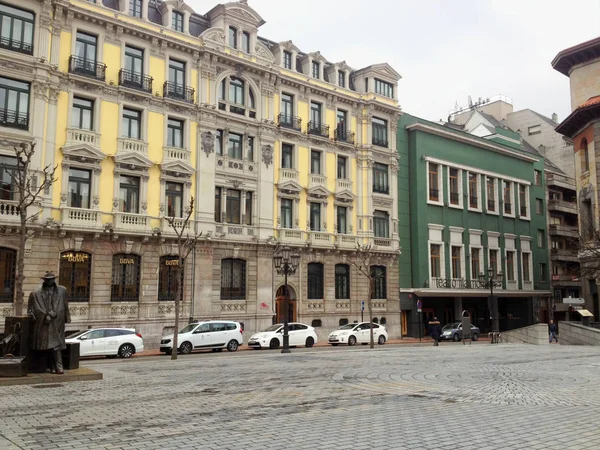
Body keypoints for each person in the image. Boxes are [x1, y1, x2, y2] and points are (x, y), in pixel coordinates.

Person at [27, 271, 71, 374]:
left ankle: (58, 367)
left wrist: (65, 317)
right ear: (44, 280)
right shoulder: (36, 293)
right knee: (50, 345)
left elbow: (64, 305)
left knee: (56, 344)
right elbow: (32, 309)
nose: (50, 281)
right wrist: (40, 316)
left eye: (51, 279)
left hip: (57, 321)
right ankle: (54, 367)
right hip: (43, 322)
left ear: (54, 279)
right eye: (47, 279)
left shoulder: (62, 290)